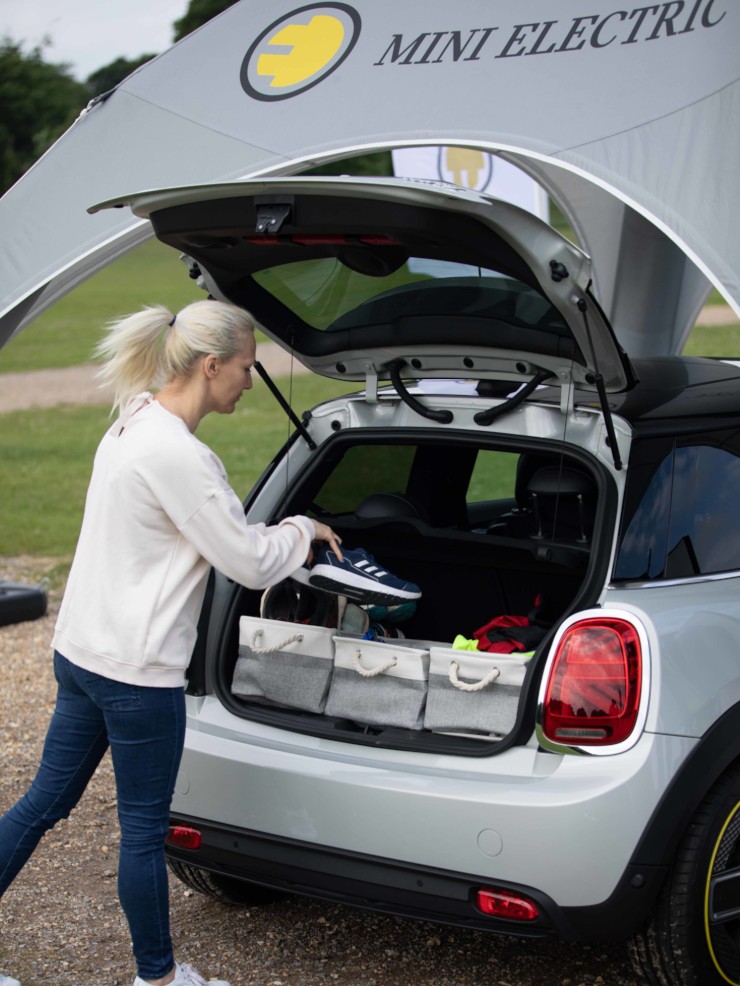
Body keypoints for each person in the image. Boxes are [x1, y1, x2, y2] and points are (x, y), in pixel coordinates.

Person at [0, 300, 342, 986]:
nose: (252, 380)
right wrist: (304, 530)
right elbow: (245, 559)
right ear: (212, 365)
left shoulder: (134, 418)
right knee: (142, 833)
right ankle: (158, 979)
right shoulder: (179, 456)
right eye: (247, 367)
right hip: (134, 676)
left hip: (83, 654)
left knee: (43, 804)